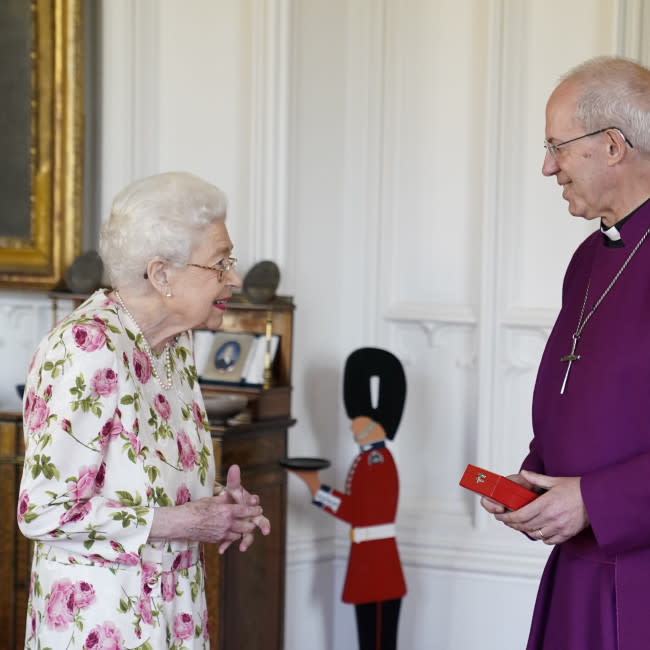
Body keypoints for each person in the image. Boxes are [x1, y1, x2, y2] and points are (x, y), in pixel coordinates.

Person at [17, 171, 270, 649]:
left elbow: (138, 474)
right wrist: (182, 522)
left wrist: (218, 506)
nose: (234, 278)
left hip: (174, 616)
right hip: (102, 623)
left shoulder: (174, 344)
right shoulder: (85, 347)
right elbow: (44, 511)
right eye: (220, 263)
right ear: (160, 274)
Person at [480, 57, 650, 650]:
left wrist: (594, 501)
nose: (547, 166)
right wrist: (537, 486)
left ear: (611, 146)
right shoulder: (588, 257)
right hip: (577, 568)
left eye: (558, 146)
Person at [288, 347, 407, 650]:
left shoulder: (378, 461)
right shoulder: (367, 459)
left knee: (378, 642)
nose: (352, 424)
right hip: (368, 562)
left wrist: (318, 490)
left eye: (359, 419)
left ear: (376, 425)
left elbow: (359, 512)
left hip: (378, 566)